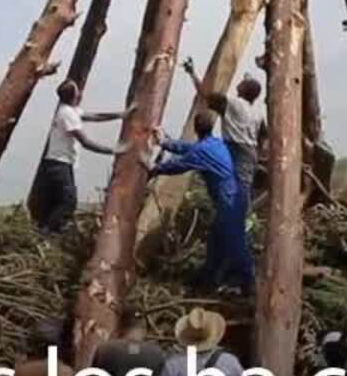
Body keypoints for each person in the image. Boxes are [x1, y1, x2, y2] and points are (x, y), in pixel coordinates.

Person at [148, 112, 254, 294]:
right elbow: (187, 148)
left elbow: (179, 165)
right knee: (216, 240)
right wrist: (165, 142)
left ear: (196, 128)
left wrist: (155, 169)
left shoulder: (201, 150)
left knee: (234, 241)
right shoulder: (214, 143)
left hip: (230, 201)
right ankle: (209, 279)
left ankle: (245, 282)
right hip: (236, 196)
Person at [28, 79, 126, 234]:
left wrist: (121, 115)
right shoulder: (66, 114)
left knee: (60, 201)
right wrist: (113, 151)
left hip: (60, 164)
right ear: (74, 95)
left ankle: (52, 231)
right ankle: (45, 232)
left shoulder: (71, 110)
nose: (80, 92)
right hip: (59, 164)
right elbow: (85, 142)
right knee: (68, 201)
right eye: (77, 89)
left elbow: (95, 116)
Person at [183, 59, 264, 199]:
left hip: (236, 150)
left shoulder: (233, 103)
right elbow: (264, 138)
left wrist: (192, 73)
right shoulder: (257, 113)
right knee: (238, 189)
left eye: (244, 82)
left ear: (245, 90)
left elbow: (205, 94)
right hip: (249, 152)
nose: (241, 81)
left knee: (235, 192)